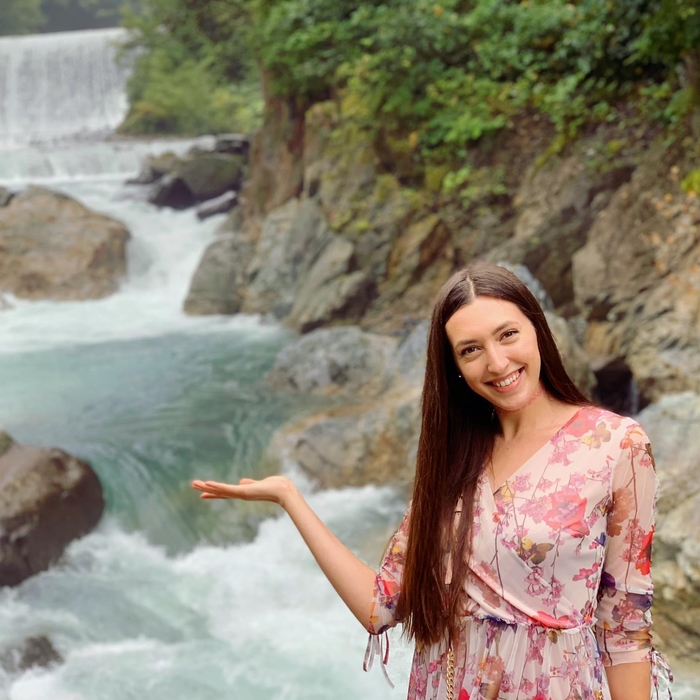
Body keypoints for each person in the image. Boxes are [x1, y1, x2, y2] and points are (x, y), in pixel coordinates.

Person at [192, 262, 673, 700]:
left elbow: (624, 626)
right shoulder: (453, 460)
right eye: (471, 350)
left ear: (537, 330)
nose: (497, 362)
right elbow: (381, 608)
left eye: (507, 334)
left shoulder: (615, 444)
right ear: (456, 369)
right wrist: (289, 496)